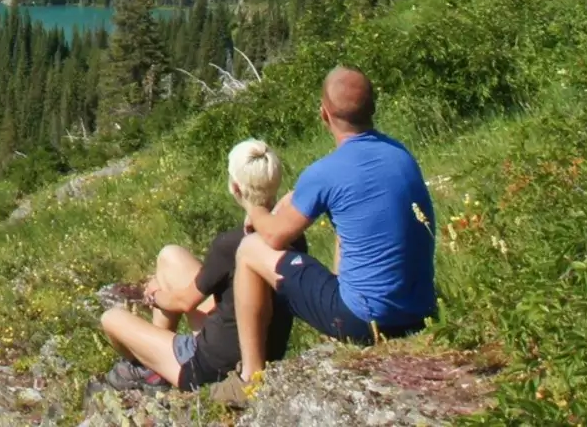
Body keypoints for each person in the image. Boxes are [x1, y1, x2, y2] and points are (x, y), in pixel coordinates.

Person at [214, 66, 437, 410]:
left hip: (365, 320)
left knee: (249, 250)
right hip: (419, 312)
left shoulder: (325, 172)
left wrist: (252, 205)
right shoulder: (400, 154)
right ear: (372, 108)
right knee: (351, 228)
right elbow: (346, 199)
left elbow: (273, 236)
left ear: (324, 114)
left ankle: (250, 379)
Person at [99, 140, 302, 393]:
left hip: (210, 365)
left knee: (111, 319)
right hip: (261, 349)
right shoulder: (293, 236)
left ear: (235, 187)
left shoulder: (231, 245)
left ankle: (153, 368)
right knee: (170, 256)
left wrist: (154, 294)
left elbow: (185, 303)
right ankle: (156, 366)